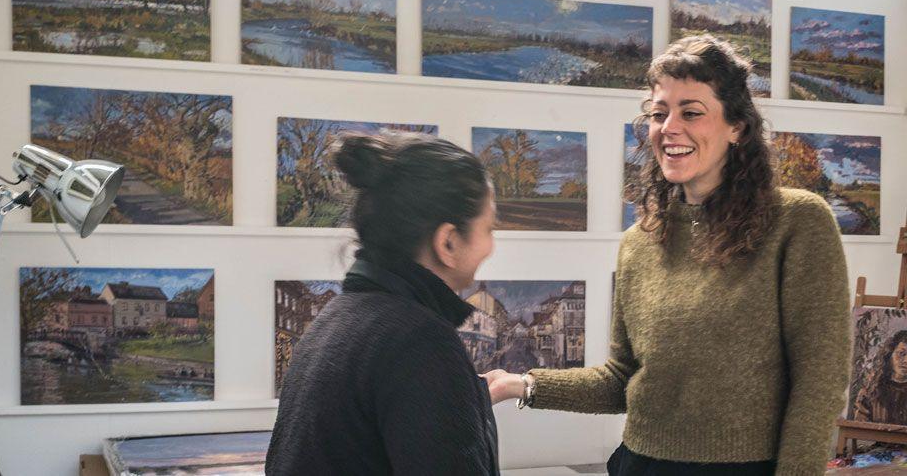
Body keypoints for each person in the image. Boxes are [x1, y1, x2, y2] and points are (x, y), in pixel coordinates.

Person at [483, 35, 852, 475]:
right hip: (639, 464)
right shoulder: (640, 241)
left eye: (691, 112)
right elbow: (621, 380)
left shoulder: (797, 222)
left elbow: (820, 381)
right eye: (659, 114)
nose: (669, 127)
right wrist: (519, 384)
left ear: (737, 127)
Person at [266, 132, 501, 475]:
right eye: (490, 229)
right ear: (448, 242)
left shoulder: (337, 318)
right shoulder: (420, 342)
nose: (492, 247)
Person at [853, 330, 907, 425]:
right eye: (901, 354)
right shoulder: (871, 390)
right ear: (890, 355)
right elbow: (859, 427)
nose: (906, 360)